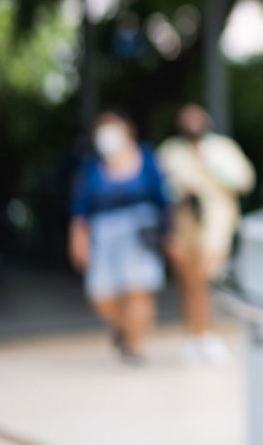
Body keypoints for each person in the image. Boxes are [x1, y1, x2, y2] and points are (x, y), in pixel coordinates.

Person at [69, 108, 173, 364]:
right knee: (101, 295)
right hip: (104, 235)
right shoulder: (92, 167)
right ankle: (125, 327)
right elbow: (80, 208)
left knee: (139, 290)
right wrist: (78, 239)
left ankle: (135, 346)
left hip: (140, 232)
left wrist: (171, 234)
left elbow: (164, 200)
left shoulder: (146, 158)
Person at [158, 104, 255, 365]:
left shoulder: (222, 148)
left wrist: (210, 164)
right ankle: (195, 334)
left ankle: (209, 334)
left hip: (216, 223)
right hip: (184, 224)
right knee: (191, 284)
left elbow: (245, 180)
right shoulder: (171, 151)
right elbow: (162, 192)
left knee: (206, 277)